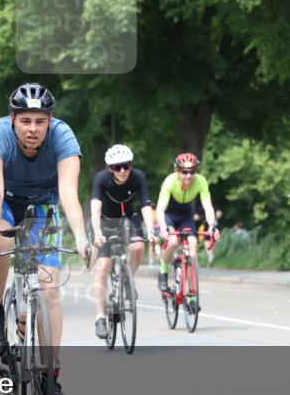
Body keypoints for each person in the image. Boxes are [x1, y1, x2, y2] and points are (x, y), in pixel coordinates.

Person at [0, 83, 90, 395]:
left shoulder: (63, 137)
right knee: (0, 237)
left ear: (50, 121)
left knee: (49, 288)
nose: (33, 129)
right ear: (12, 119)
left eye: (40, 121)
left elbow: (69, 193)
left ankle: (49, 375)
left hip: (42, 205)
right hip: (2, 202)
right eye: (26, 121)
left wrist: (81, 239)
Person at [89, 144, 155, 339]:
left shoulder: (138, 177)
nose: (123, 171)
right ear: (111, 169)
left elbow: (145, 206)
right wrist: (97, 232)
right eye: (118, 167)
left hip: (128, 217)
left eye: (126, 166)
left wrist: (151, 230)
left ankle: (127, 278)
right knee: (103, 265)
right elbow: (94, 210)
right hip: (104, 221)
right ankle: (100, 316)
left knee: (138, 246)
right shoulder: (102, 179)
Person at [155, 153, 220, 302]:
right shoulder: (170, 181)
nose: (189, 175)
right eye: (184, 172)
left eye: (192, 172)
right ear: (177, 171)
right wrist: (163, 227)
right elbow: (160, 209)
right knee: (172, 242)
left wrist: (212, 226)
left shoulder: (201, 182)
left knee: (192, 250)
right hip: (169, 215)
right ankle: (163, 271)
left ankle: (191, 296)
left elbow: (208, 207)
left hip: (186, 217)